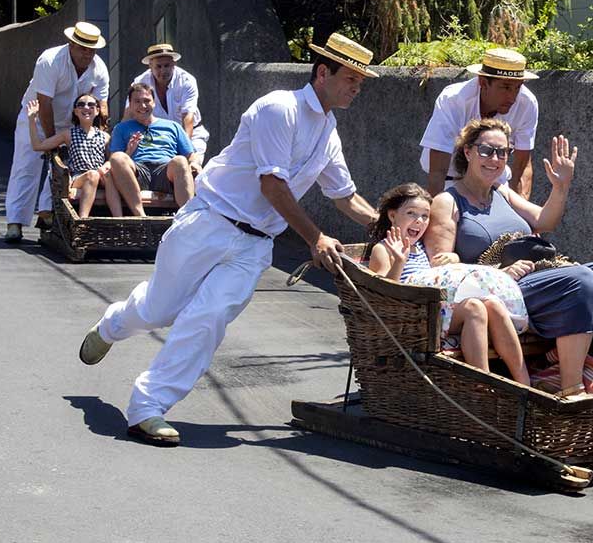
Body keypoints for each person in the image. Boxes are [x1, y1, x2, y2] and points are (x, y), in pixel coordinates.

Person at [79, 32, 381, 446]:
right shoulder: (280, 109)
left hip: (254, 246)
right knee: (158, 310)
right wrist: (316, 238)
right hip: (210, 222)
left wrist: (385, 224)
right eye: (351, 78)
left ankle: (147, 407)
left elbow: (344, 195)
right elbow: (273, 185)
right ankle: (112, 325)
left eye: (361, 82)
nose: (356, 88)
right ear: (323, 73)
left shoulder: (329, 133)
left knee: (207, 319)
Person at [423, 118, 593, 398]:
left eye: (502, 152)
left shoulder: (502, 192)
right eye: (486, 150)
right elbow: (439, 265)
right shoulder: (447, 201)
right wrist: (498, 272)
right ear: (468, 152)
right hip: (498, 291)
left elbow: (545, 220)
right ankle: (572, 388)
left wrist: (561, 187)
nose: (494, 159)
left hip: (533, 278)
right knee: (580, 279)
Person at [366, 183, 530, 385]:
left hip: (437, 307)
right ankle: (482, 384)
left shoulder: (422, 246)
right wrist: (399, 261)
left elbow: (440, 273)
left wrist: (453, 258)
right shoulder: (383, 249)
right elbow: (381, 294)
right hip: (412, 316)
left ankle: (524, 385)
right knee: (474, 307)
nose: (419, 221)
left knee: (493, 303)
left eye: (425, 216)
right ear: (392, 216)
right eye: (411, 213)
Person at [4, 21, 109, 243]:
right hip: (35, 118)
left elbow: (101, 106)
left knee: (62, 170)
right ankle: (15, 222)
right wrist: (52, 141)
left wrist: (98, 137)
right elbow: (44, 103)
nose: (87, 54)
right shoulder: (50, 60)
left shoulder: (99, 68)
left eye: (91, 50)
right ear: (71, 44)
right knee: (26, 167)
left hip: (71, 124)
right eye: (82, 48)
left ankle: (47, 214)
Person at [418, 48, 539, 200]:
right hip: (450, 180)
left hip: (496, 181)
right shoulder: (453, 99)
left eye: (518, 87)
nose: (513, 97)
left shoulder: (527, 103)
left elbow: (523, 164)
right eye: (506, 87)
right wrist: (436, 208)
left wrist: (520, 210)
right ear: (483, 82)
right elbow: (438, 169)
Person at [107, 82, 196, 216]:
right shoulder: (121, 128)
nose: (143, 106)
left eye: (147, 101)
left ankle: (188, 218)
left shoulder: (172, 126)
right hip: (138, 171)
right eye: (137, 101)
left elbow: (191, 155)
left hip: (165, 171)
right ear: (130, 105)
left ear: (154, 103)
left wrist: (195, 164)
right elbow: (113, 160)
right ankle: (141, 217)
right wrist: (129, 151)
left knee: (180, 161)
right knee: (118, 157)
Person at [25, 94, 120, 218]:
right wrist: (31, 119)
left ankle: (118, 219)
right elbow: (37, 146)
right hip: (78, 177)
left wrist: (105, 167)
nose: (86, 107)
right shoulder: (68, 134)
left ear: (97, 111)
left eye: (91, 105)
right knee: (92, 175)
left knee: (107, 175)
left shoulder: (105, 136)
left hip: (99, 175)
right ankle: (82, 220)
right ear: (75, 111)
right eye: (81, 105)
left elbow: (111, 159)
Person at [128, 42, 209, 172]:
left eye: (167, 66)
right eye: (158, 66)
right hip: (156, 137)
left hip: (191, 134)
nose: (163, 71)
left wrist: (184, 148)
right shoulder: (140, 82)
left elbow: (188, 118)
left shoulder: (187, 81)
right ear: (150, 66)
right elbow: (129, 114)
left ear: (174, 64)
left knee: (192, 169)